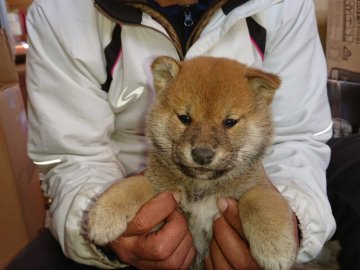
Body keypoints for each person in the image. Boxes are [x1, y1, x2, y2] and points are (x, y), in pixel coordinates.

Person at [7, 0, 359, 269]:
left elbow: (299, 136)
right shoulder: (60, 12)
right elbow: (70, 157)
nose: (204, 146)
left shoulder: (283, 5)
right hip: (138, 183)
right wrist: (104, 240)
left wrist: (293, 217)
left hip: (256, 175)